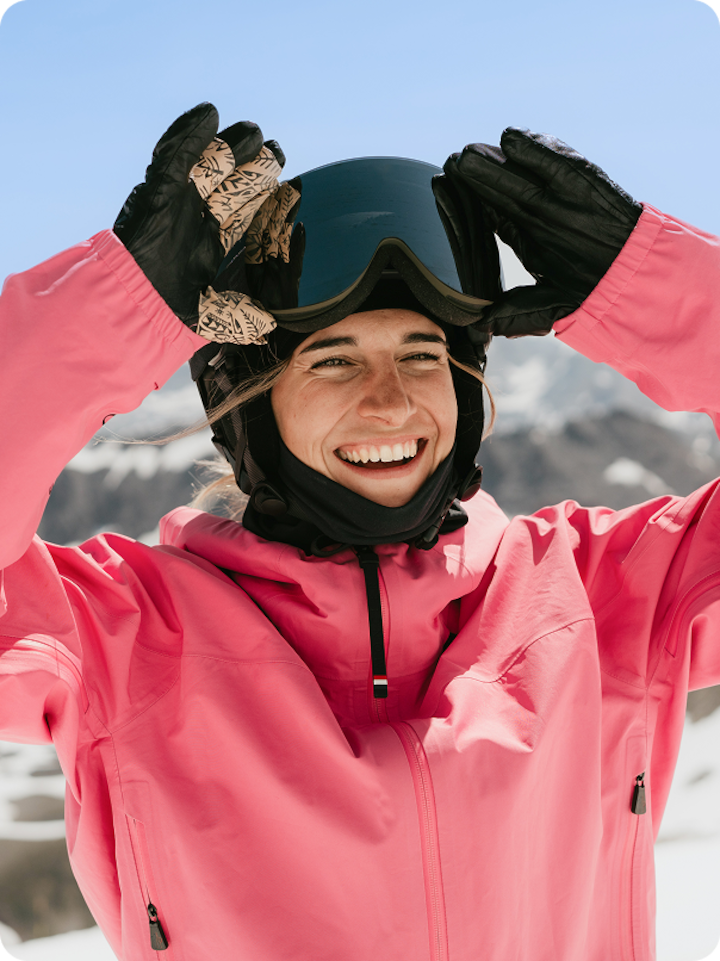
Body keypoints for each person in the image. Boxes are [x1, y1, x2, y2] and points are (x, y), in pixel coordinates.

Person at [1, 101, 719, 961]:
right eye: (334, 360)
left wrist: (660, 294)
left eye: (422, 354)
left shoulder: (606, 598)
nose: (390, 401)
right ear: (252, 408)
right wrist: (102, 314)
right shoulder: (118, 643)